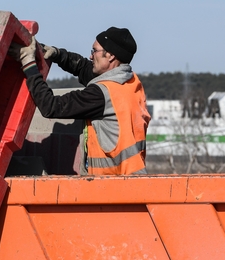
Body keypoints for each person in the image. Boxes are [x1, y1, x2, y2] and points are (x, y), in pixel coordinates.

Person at [10, 27, 150, 175]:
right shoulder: (130, 82)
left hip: (113, 185)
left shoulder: (101, 94)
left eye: (94, 51)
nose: (91, 56)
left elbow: (51, 106)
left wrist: (29, 65)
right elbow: (84, 68)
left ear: (110, 56)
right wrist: (56, 54)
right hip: (132, 178)